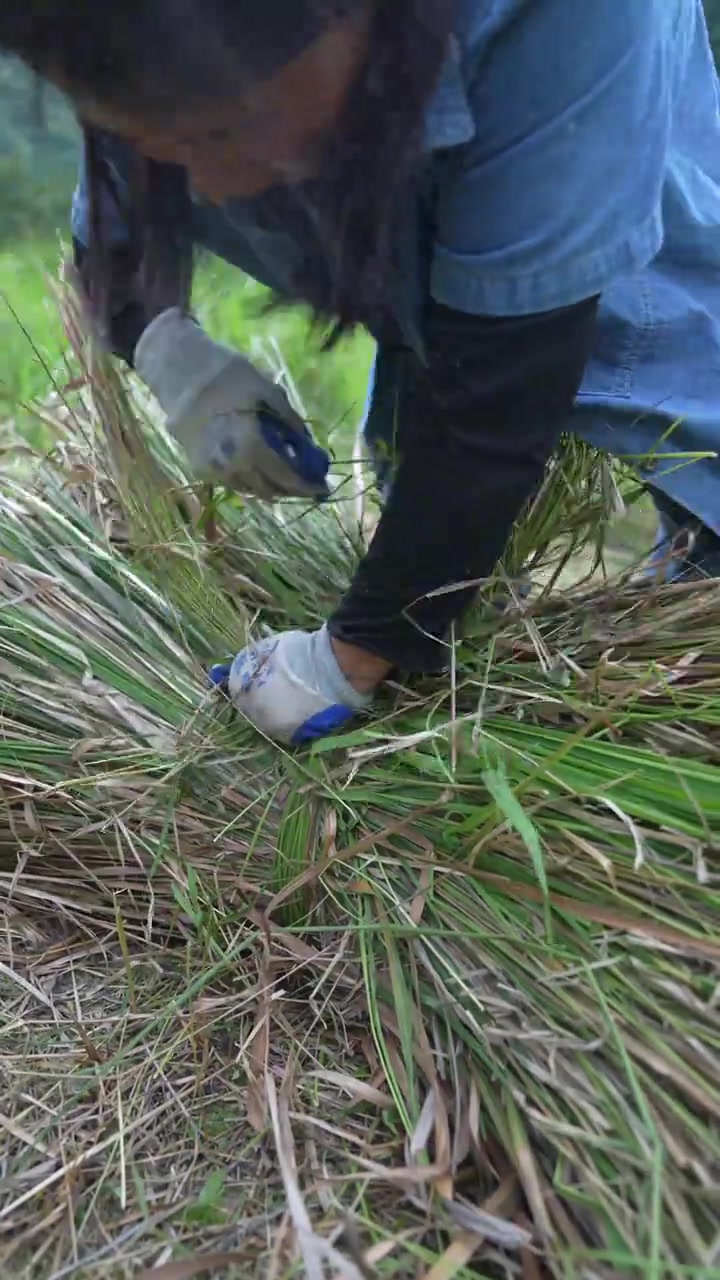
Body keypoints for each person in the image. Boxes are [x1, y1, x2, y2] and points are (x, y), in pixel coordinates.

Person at [3, 0, 720, 744]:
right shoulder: (133, 31)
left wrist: (355, 652)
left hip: (595, 166)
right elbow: (116, 239)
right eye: (166, 146)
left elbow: (503, 388)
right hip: (370, 122)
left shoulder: (569, 24)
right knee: (444, 529)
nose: (209, 185)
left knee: (676, 416)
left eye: (221, 131)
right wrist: (168, 353)